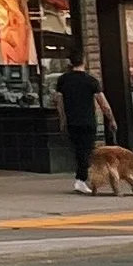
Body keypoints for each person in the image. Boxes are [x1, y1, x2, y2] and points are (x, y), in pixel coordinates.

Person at [54, 57, 118, 193]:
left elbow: (59, 103)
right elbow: (104, 104)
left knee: (79, 151)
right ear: (84, 62)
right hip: (87, 120)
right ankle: (81, 179)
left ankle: (82, 177)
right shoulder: (91, 80)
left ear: (69, 63)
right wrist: (111, 119)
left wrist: (62, 121)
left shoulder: (63, 80)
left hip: (72, 120)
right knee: (87, 151)